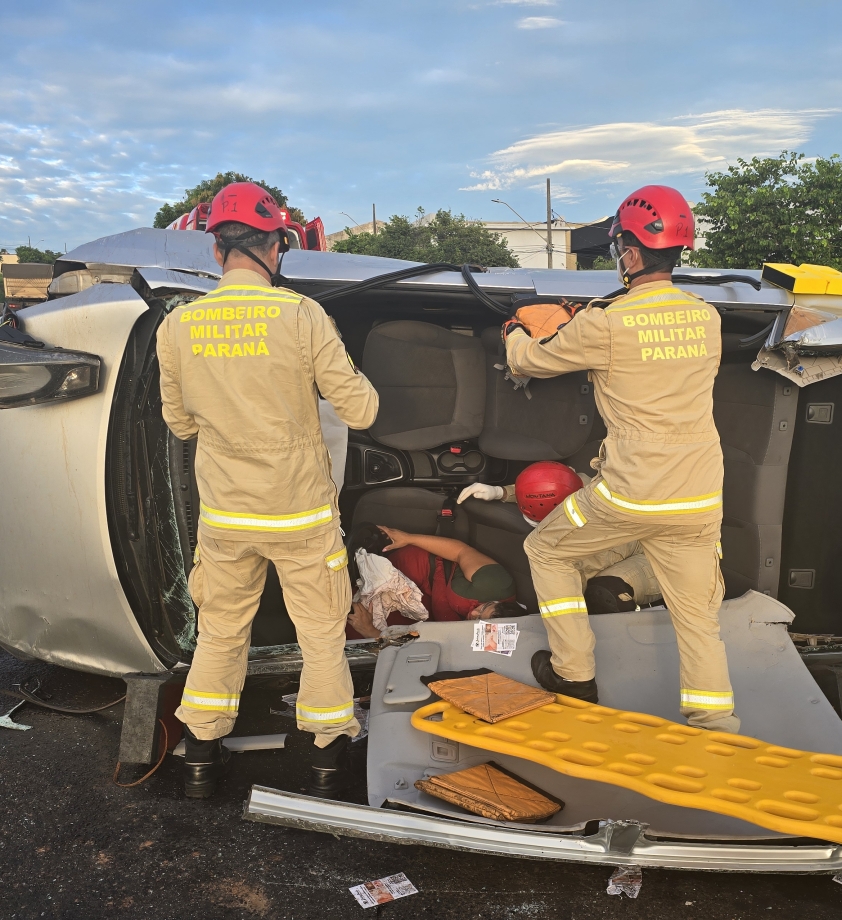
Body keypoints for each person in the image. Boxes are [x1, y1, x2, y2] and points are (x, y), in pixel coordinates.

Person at [157, 181, 379, 800]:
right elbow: (359, 410)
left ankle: (200, 754)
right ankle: (327, 759)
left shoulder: (178, 326)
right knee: (320, 634)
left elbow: (179, 423)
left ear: (216, 252)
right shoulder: (303, 315)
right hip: (301, 514)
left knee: (222, 631)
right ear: (275, 246)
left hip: (226, 515)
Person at [501, 185, 738, 732]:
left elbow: (534, 361)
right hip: (700, 495)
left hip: (630, 492)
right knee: (697, 614)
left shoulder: (605, 322)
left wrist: (515, 329)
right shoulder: (707, 318)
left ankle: (574, 675)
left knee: (547, 551)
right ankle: (715, 721)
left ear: (629, 253)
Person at [458, 461, 663, 614]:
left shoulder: (585, 485)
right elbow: (546, 489)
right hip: (642, 557)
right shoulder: (556, 547)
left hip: (661, 540)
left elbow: (551, 485)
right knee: (605, 594)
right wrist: (500, 492)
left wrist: (501, 492)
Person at [345, 523, 525, 637]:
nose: (474, 614)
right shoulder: (495, 584)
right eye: (483, 608)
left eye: (478, 622)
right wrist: (409, 538)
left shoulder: (492, 638)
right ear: (496, 601)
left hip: (433, 605)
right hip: (423, 570)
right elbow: (460, 551)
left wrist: (373, 633)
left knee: (370, 629)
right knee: (354, 620)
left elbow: (426, 644)